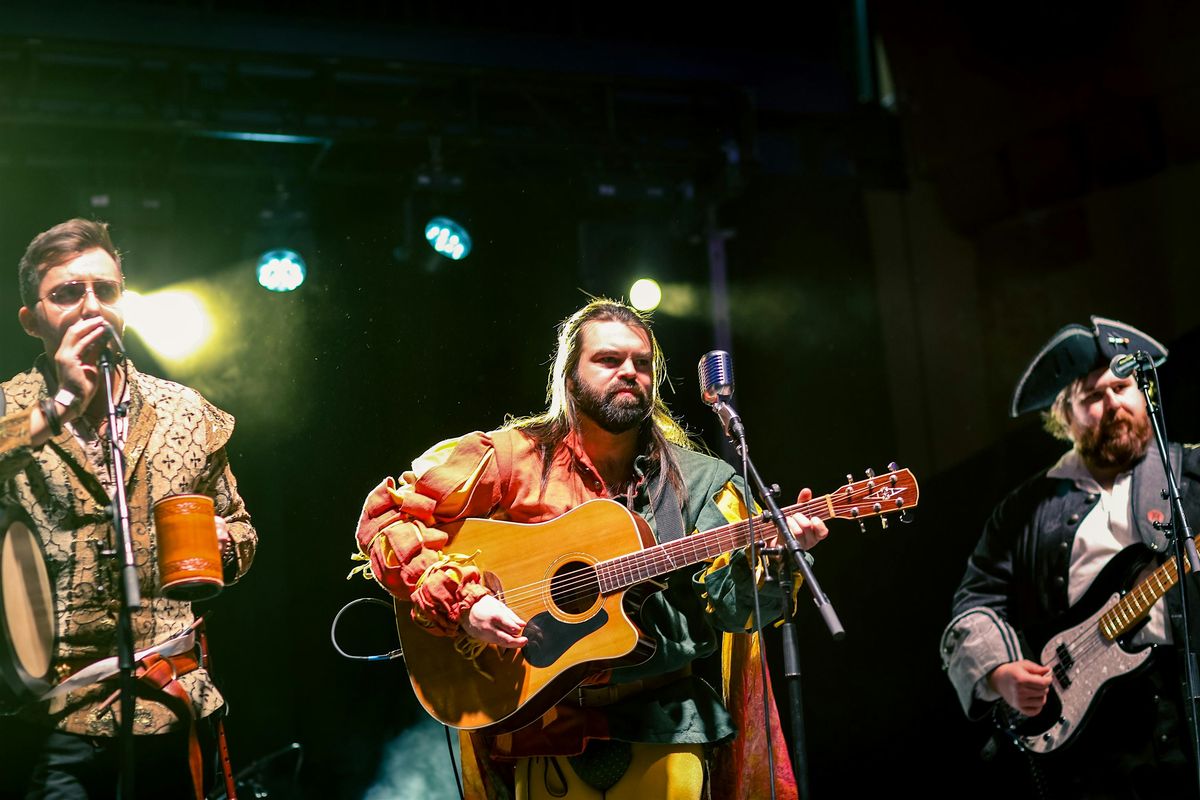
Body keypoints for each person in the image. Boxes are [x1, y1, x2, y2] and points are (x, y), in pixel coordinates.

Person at [353, 298, 828, 799]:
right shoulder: (511, 458)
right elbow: (390, 516)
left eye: (642, 364)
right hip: (540, 730)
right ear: (568, 376)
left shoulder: (704, 481)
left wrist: (775, 560)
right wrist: (467, 603)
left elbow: (735, 613)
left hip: (664, 729)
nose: (629, 372)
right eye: (608, 360)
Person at [0, 219, 257, 799]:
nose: (90, 305)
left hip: (168, 707)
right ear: (31, 319)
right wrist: (60, 406)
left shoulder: (185, 411)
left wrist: (224, 542)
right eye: (66, 294)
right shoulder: (9, 409)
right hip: (51, 723)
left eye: (105, 291)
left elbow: (242, 528)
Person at [941, 315, 1200, 799]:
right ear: (1065, 416)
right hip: (1092, 748)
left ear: (1145, 394)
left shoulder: (1191, 473)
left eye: (1122, 388)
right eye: (1092, 398)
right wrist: (999, 674)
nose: (1113, 405)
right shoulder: (1023, 511)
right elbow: (975, 603)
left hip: (1188, 704)